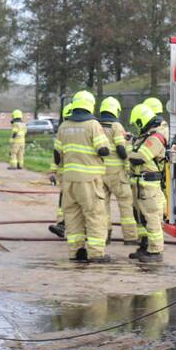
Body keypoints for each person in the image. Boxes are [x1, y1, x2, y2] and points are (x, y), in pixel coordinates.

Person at [54, 91, 111, 263]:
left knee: (72, 216)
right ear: (90, 105)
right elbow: (103, 149)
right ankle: (96, 254)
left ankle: (75, 251)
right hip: (89, 180)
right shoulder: (93, 125)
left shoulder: (63, 126)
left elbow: (57, 155)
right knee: (95, 216)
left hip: (69, 180)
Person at [128, 103, 167, 263]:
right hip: (140, 185)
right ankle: (145, 246)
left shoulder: (155, 138)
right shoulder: (146, 137)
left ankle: (156, 251)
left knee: (151, 218)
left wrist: (124, 150)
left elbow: (140, 157)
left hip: (148, 186)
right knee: (141, 218)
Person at [97, 97, 138, 245]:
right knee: (126, 205)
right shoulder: (116, 126)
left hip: (100, 172)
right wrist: (128, 152)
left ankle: (105, 235)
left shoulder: (96, 125)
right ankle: (130, 237)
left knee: (102, 205)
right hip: (117, 174)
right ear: (116, 110)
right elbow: (121, 149)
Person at [48, 103, 74, 238]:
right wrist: (52, 171)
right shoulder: (88, 126)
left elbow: (56, 153)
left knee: (67, 200)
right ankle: (62, 225)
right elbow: (57, 153)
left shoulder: (63, 129)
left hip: (69, 173)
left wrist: (53, 171)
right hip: (72, 174)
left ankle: (64, 225)